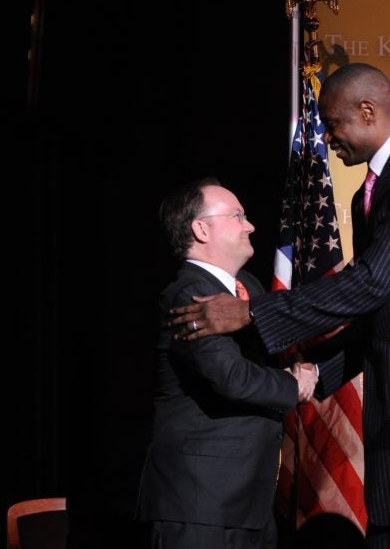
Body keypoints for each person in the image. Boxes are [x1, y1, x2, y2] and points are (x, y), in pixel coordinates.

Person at [169, 64, 390, 548]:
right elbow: (380, 313)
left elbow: (371, 283)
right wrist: (315, 374)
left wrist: (252, 313)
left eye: (333, 124)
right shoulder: (370, 193)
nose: (328, 138)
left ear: (367, 111)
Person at [136, 177, 319, 549]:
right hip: (199, 504)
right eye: (237, 216)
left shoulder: (248, 287)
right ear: (201, 229)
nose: (250, 225)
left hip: (249, 501)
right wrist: (293, 385)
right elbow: (232, 377)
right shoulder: (187, 293)